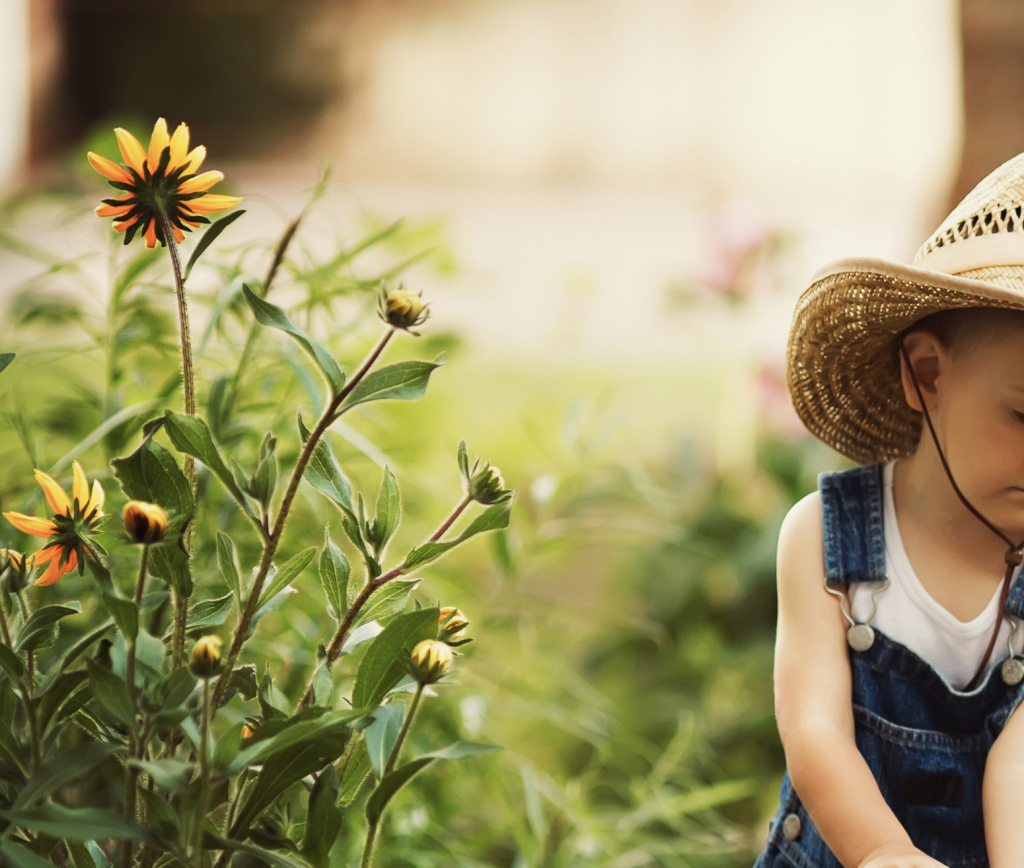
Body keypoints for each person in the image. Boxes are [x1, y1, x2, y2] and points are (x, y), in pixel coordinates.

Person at [754, 151, 1024, 868]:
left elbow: (1020, 763)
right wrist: (880, 852)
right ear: (926, 373)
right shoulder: (825, 542)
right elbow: (814, 730)